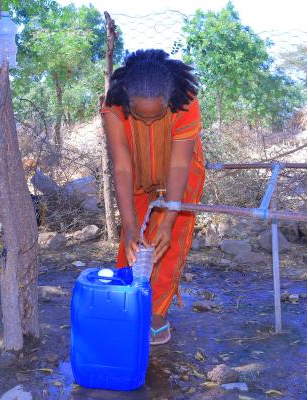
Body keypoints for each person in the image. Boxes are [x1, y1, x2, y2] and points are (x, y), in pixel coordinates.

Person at [101, 49, 205, 345]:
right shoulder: (114, 106)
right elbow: (121, 167)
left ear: (168, 100)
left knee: (167, 246)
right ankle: (130, 306)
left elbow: (179, 164)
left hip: (180, 175)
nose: (147, 124)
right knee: (133, 245)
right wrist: (131, 226)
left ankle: (156, 313)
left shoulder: (185, 102)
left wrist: (169, 219)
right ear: (127, 102)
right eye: (139, 116)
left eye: (156, 117)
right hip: (134, 173)